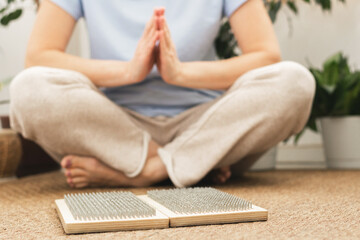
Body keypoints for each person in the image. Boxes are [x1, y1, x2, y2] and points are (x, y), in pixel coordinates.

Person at [9, 0, 315, 188]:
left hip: (206, 130)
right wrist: (128, 72)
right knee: (29, 90)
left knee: (295, 82)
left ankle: (147, 171)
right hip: (113, 130)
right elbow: (39, 57)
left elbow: (266, 56)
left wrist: (180, 73)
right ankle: (187, 168)